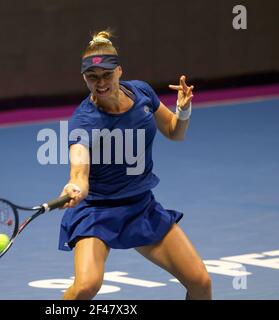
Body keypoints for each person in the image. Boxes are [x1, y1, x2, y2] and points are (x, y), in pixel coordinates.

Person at [58, 30, 212, 300]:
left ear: (119, 71)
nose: (101, 83)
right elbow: (79, 172)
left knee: (201, 282)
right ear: (84, 78)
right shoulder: (83, 122)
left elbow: (175, 132)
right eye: (92, 78)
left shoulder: (141, 92)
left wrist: (183, 110)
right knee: (85, 287)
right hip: (97, 211)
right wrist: (75, 186)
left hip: (141, 206)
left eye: (107, 75)